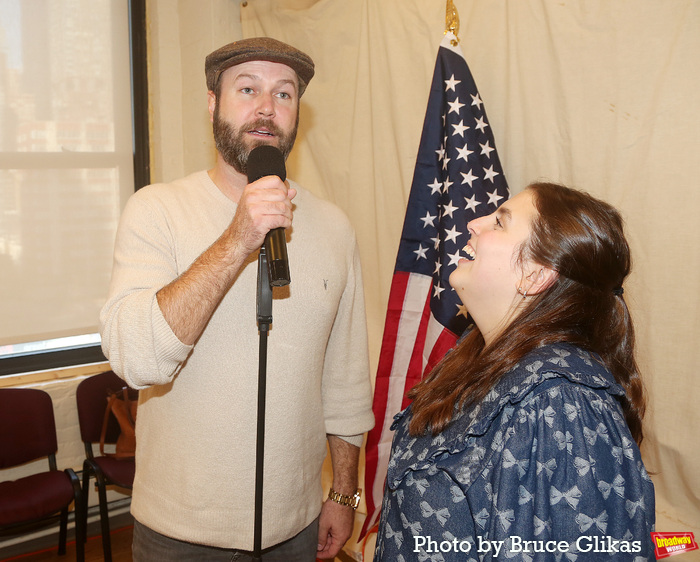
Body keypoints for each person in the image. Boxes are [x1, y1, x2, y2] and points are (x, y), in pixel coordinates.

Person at [100, 37, 374, 561]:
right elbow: (136, 361)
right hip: (179, 535)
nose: (267, 108)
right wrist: (236, 239)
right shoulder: (155, 210)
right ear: (212, 103)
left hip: (297, 527)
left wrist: (343, 494)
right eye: (247, 89)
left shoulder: (336, 228)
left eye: (284, 94)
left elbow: (345, 381)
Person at [373, 182, 656, 561]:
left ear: (536, 276)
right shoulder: (477, 354)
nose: (473, 222)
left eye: (500, 222)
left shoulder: (558, 404)